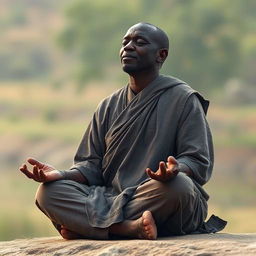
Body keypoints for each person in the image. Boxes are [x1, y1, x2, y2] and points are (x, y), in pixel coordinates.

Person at [20, 22, 226, 240]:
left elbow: (198, 161)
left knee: (179, 188)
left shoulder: (184, 99)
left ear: (161, 55)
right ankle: (128, 228)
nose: (128, 47)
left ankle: (88, 227)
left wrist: (175, 170)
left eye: (139, 42)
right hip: (110, 197)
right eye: (125, 42)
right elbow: (90, 166)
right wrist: (61, 175)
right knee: (48, 193)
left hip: (153, 194)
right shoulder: (108, 105)